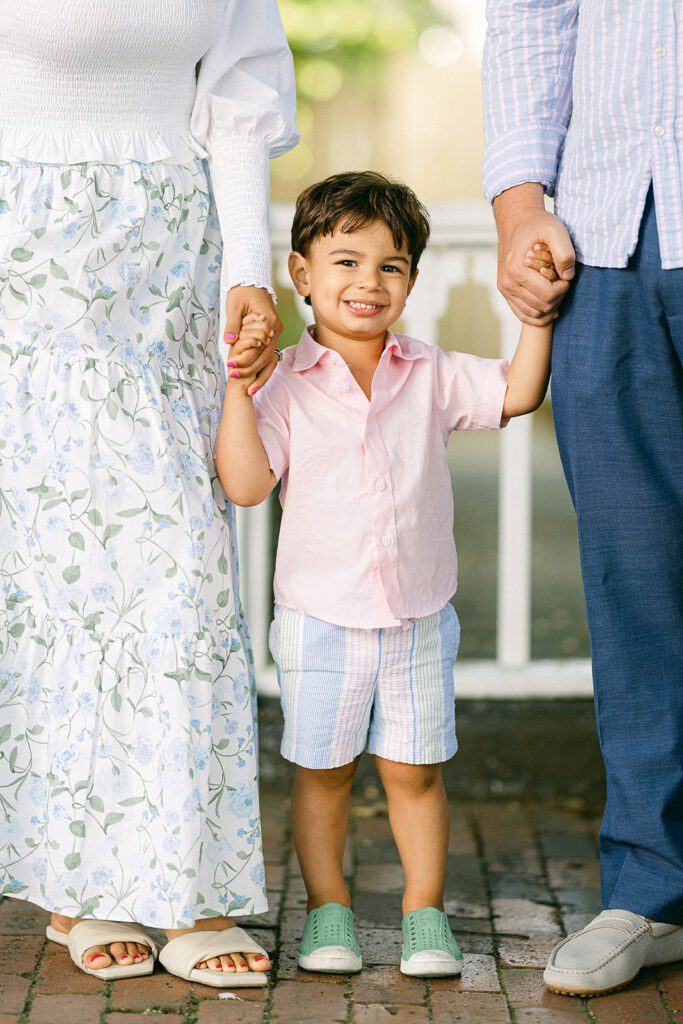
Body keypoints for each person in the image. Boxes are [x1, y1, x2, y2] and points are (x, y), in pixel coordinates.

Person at [0, 0, 298, 989]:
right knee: (58, 578)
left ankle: (190, 878)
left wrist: (250, 269)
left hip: (169, 272)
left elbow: (241, 102)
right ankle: (80, 881)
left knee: (182, 562)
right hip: (29, 265)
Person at [216, 170, 553, 977]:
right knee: (323, 774)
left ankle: (423, 915)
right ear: (300, 274)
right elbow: (246, 483)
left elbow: (515, 391)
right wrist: (235, 383)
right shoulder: (285, 384)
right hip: (320, 617)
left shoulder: (428, 372)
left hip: (415, 617)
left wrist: (533, 318)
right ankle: (328, 913)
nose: (368, 281)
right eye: (345, 261)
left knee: (414, 771)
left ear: (409, 279)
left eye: (390, 266)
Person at [483, 0, 683, 997]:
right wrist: (519, 206)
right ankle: (649, 889)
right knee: (632, 578)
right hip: (608, 237)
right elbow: (530, 19)